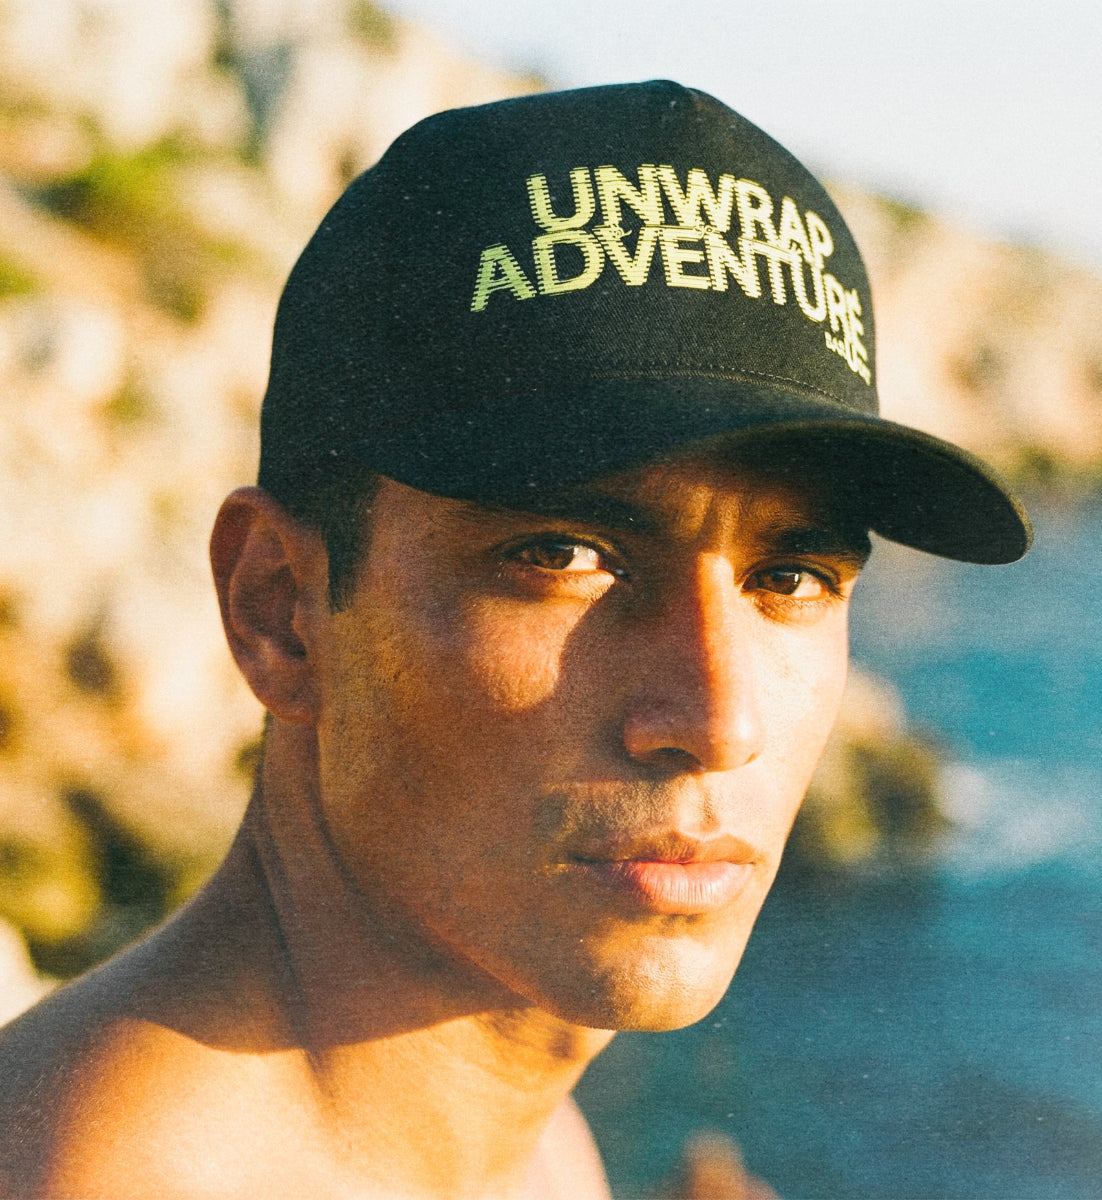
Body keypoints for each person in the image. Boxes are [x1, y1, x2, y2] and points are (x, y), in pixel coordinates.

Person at [0, 81, 1030, 1198]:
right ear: (279, 611)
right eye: (562, 555)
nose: (719, 720)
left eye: (790, 577)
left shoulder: (525, 1152)